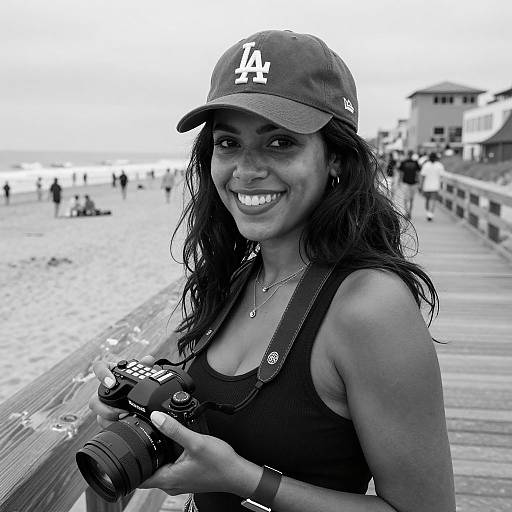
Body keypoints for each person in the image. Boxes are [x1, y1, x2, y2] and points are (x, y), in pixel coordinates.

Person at [90, 30, 455, 512]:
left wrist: (245, 480)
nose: (245, 169)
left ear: (338, 161)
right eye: (228, 142)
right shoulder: (236, 280)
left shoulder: (371, 307)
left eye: (280, 142)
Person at [420, 152, 444, 221]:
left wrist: (421, 185)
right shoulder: (439, 165)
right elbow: (442, 176)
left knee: (427, 200)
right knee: (432, 200)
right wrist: (441, 185)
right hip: (435, 186)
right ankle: (430, 213)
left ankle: (429, 213)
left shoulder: (426, 165)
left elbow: (423, 176)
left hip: (426, 186)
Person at [398, 150, 421, 219]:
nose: (410, 155)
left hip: (412, 183)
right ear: (409, 154)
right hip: (407, 183)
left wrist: (418, 181)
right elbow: (401, 173)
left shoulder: (415, 162)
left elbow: (418, 173)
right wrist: (400, 181)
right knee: (406, 199)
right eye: (410, 154)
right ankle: (407, 212)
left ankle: (409, 212)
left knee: (410, 199)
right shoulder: (404, 162)